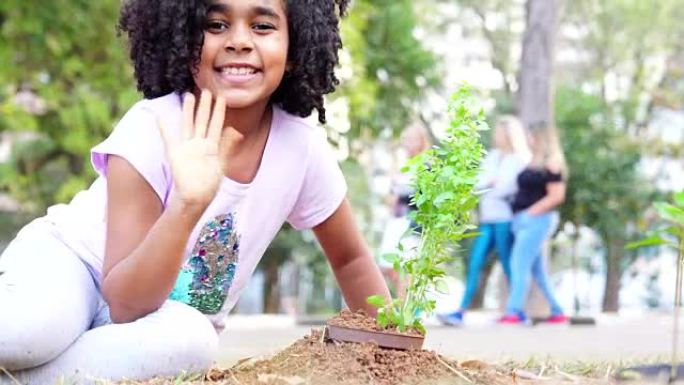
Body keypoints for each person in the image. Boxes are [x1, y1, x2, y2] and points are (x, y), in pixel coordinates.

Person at [0, 0, 390, 384]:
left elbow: (351, 258)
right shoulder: (153, 128)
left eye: (262, 26)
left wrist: (395, 350)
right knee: (29, 332)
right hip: (71, 266)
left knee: (193, 341)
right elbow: (123, 302)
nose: (238, 40)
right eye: (215, 25)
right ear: (184, 42)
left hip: (154, 316)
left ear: (295, 49)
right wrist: (187, 205)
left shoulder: (301, 148)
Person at [437, 116, 530, 326]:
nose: (495, 136)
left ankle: (517, 310)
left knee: (508, 264)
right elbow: (478, 183)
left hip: (505, 219)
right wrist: (490, 183)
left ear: (508, 135)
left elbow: (509, 187)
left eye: (499, 131)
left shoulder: (518, 160)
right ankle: (460, 311)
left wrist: (490, 185)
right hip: (487, 219)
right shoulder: (493, 157)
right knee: (475, 261)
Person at [498, 124, 568, 324]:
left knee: (518, 264)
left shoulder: (552, 163)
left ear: (540, 138)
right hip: (523, 221)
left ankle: (514, 311)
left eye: (531, 135)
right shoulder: (533, 161)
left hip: (536, 220)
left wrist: (530, 213)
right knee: (537, 270)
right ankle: (557, 310)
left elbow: (557, 195)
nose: (528, 139)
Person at [378, 124, 431, 299]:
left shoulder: (426, 164)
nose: (407, 143)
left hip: (412, 221)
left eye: (411, 139)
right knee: (387, 265)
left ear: (421, 141)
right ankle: (406, 302)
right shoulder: (403, 165)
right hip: (396, 220)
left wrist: (400, 193)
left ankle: (405, 309)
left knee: (405, 267)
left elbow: (422, 194)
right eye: (405, 139)